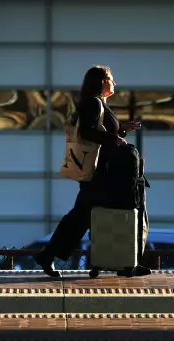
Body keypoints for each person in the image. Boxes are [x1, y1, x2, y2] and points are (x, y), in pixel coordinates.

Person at [33, 65, 144, 278]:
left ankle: (97, 261)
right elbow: (87, 131)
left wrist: (121, 129)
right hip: (99, 173)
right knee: (86, 215)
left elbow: (99, 130)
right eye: (111, 79)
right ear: (102, 82)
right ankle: (105, 262)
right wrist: (115, 138)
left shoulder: (99, 103)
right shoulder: (93, 103)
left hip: (102, 172)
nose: (114, 83)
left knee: (85, 215)